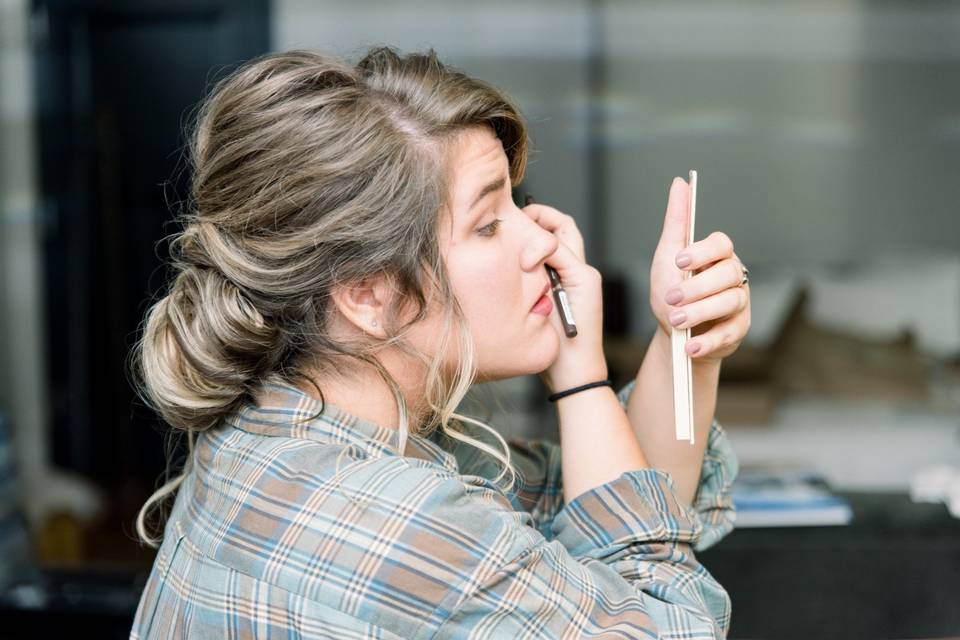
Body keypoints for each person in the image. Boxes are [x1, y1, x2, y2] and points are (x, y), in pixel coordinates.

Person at [128, 46, 749, 639]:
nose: (540, 241)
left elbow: (610, 508)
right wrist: (580, 373)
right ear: (367, 293)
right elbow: (665, 619)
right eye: (486, 224)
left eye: (517, 201)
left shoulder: (286, 429)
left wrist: (683, 343)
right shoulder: (398, 522)